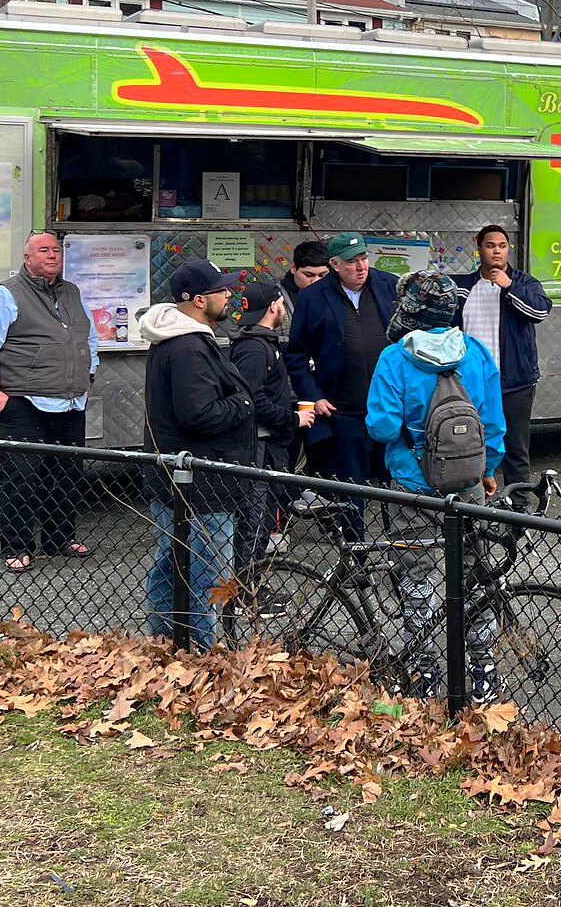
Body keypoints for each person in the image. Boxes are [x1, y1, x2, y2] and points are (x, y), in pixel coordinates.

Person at [365, 268, 506, 698]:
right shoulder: (476, 352)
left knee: (417, 580)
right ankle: (482, 673)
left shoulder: (394, 357)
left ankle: (425, 673)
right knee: (474, 576)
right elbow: (495, 426)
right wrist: (484, 469)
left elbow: (382, 427)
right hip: (466, 486)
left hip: (412, 486)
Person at [136, 259, 257, 650]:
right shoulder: (188, 347)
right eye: (222, 290)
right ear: (200, 300)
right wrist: (243, 403)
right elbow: (198, 413)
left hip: (183, 476)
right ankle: (198, 652)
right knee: (206, 571)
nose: (229, 295)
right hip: (200, 482)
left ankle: (166, 642)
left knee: (172, 563)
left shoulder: (181, 338)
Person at [0, 229, 99, 573]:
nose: (52, 255)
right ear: (27, 258)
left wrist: (89, 376)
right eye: (43, 250)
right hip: (22, 402)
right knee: (20, 477)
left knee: (68, 474)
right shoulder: (5, 295)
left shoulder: (73, 293)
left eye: (56, 250)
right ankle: (18, 545)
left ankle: (60, 538)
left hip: (71, 402)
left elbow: (90, 337)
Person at [284, 231, 399, 536]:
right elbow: (295, 356)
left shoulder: (390, 286)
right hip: (343, 411)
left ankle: (402, 562)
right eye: (351, 262)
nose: (361, 266)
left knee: (397, 490)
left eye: (363, 258)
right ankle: (355, 562)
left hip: (389, 407)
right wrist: (314, 396)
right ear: (334, 264)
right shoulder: (313, 297)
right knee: (350, 493)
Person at [227, 282, 316, 580]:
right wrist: (293, 419)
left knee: (263, 517)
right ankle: (244, 591)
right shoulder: (253, 347)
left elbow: (268, 392)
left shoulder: (263, 342)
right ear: (274, 306)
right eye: (281, 303)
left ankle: (247, 587)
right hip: (260, 447)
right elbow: (252, 400)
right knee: (255, 520)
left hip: (270, 444)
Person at [453, 224, 553, 490]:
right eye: (490, 246)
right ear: (479, 250)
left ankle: (517, 514)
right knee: (467, 444)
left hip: (514, 382)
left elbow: (540, 312)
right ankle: (470, 508)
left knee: (515, 450)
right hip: (469, 382)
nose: (496, 251)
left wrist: (508, 287)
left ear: (508, 250)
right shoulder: (464, 287)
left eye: (502, 246)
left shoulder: (524, 283)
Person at [275, 238, 329, 319]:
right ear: (293, 268)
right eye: (309, 275)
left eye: (322, 275)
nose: (316, 281)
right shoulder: (273, 294)